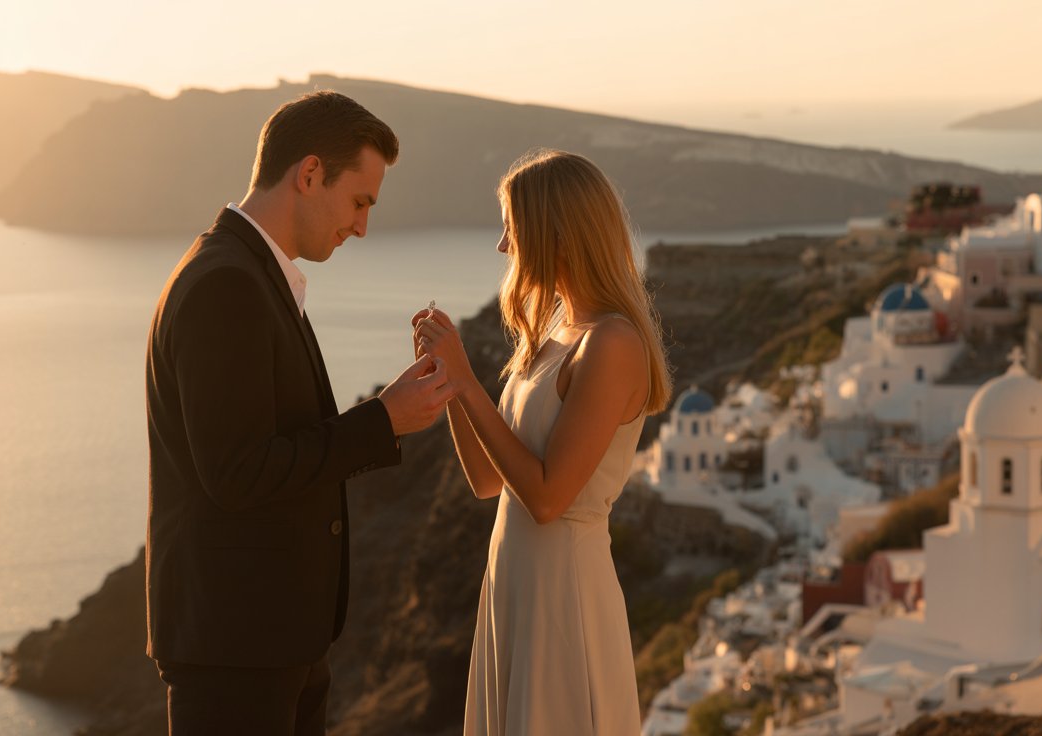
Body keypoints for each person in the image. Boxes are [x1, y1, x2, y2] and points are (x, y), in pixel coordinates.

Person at [145, 90, 454, 736]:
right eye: (359, 202)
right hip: (234, 652)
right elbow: (237, 471)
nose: (362, 227)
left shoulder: (251, 274)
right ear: (310, 174)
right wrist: (382, 421)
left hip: (273, 644)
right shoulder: (226, 285)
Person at [412, 149, 672, 735]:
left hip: (564, 591)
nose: (503, 246)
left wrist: (468, 379)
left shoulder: (611, 343)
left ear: (554, 233)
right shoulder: (556, 333)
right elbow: (486, 482)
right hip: (514, 580)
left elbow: (550, 500)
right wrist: (449, 380)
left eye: (512, 226)